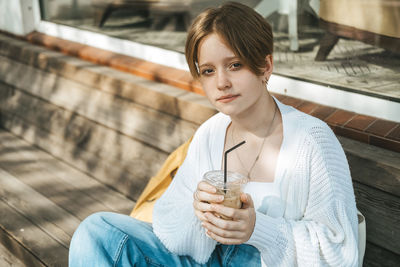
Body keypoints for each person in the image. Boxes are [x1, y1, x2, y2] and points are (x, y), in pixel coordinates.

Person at [68, 2, 359, 266]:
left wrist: (259, 230)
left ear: (265, 66)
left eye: (235, 65)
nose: (221, 82)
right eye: (208, 71)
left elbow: (341, 251)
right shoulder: (211, 133)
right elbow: (170, 231)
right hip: (207, 259)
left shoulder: (311, 141)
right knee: (96, 231)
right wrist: (197, 210)